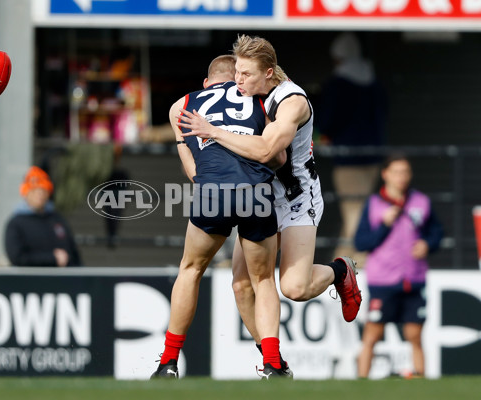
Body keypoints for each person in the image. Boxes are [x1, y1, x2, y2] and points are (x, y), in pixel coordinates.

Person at [177, 35, 362, 338]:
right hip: (258, 195)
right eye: (236, 71)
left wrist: (213, 131)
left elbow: (266, 152)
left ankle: (341, 271)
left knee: (294, 288)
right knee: (240, 284)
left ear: (268, 72)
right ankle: (271, 361)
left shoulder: (291, 101)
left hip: (295, 197)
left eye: (246, 74)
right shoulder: (242, 92)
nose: (238, 80)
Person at [151, 55, 291, 379]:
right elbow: (278, 156)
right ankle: (272, 364)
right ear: (240, 78)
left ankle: (169, 363)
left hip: (212, 192)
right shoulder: (263, 100)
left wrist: (184, 144)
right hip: (255, 193)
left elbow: (194, 172)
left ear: (206, 83)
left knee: (190, 269)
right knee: (264, 280)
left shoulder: (183, 105)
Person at [354, 154, 443, 378]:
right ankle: (361, 381)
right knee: (372, 335)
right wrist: (384, 225)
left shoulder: (421, 202)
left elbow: (437, 233)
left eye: (405, 172)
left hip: (414, 277)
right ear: (385, 174)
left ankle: (421, 380)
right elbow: (361, 242)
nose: (401, 177)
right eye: (396, 172)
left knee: (414, 334)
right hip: (383, 280)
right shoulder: (374, 204)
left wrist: (427, 244)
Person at [316, 32, 388, 264]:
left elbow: (327, 120)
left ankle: (352, 265)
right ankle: (349, 262)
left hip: (347, 159)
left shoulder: (337, 84)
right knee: (360, 210)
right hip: (373, 156)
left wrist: (321, 136)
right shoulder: (373, 81)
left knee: (353, 213)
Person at [5, 166, 82, 267]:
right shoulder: (16, 223)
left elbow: (73, 253)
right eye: (35, 191)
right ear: (25, 193)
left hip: (61, 279)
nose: (40, 195)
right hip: (30, 280)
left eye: (43, 191)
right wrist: (52, 258)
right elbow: (17, 258)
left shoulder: (57, 219)